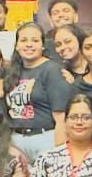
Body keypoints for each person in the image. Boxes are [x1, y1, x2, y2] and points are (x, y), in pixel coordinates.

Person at [4, 21, 73, 160]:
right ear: (17, 46)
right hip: (16, 141)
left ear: (42, 45)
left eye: (35, 40)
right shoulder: (12, 71)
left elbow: (61, 118)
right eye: (24, 40)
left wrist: (59, 154)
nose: (29, 44)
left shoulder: (51, 70)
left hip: (45, 139)